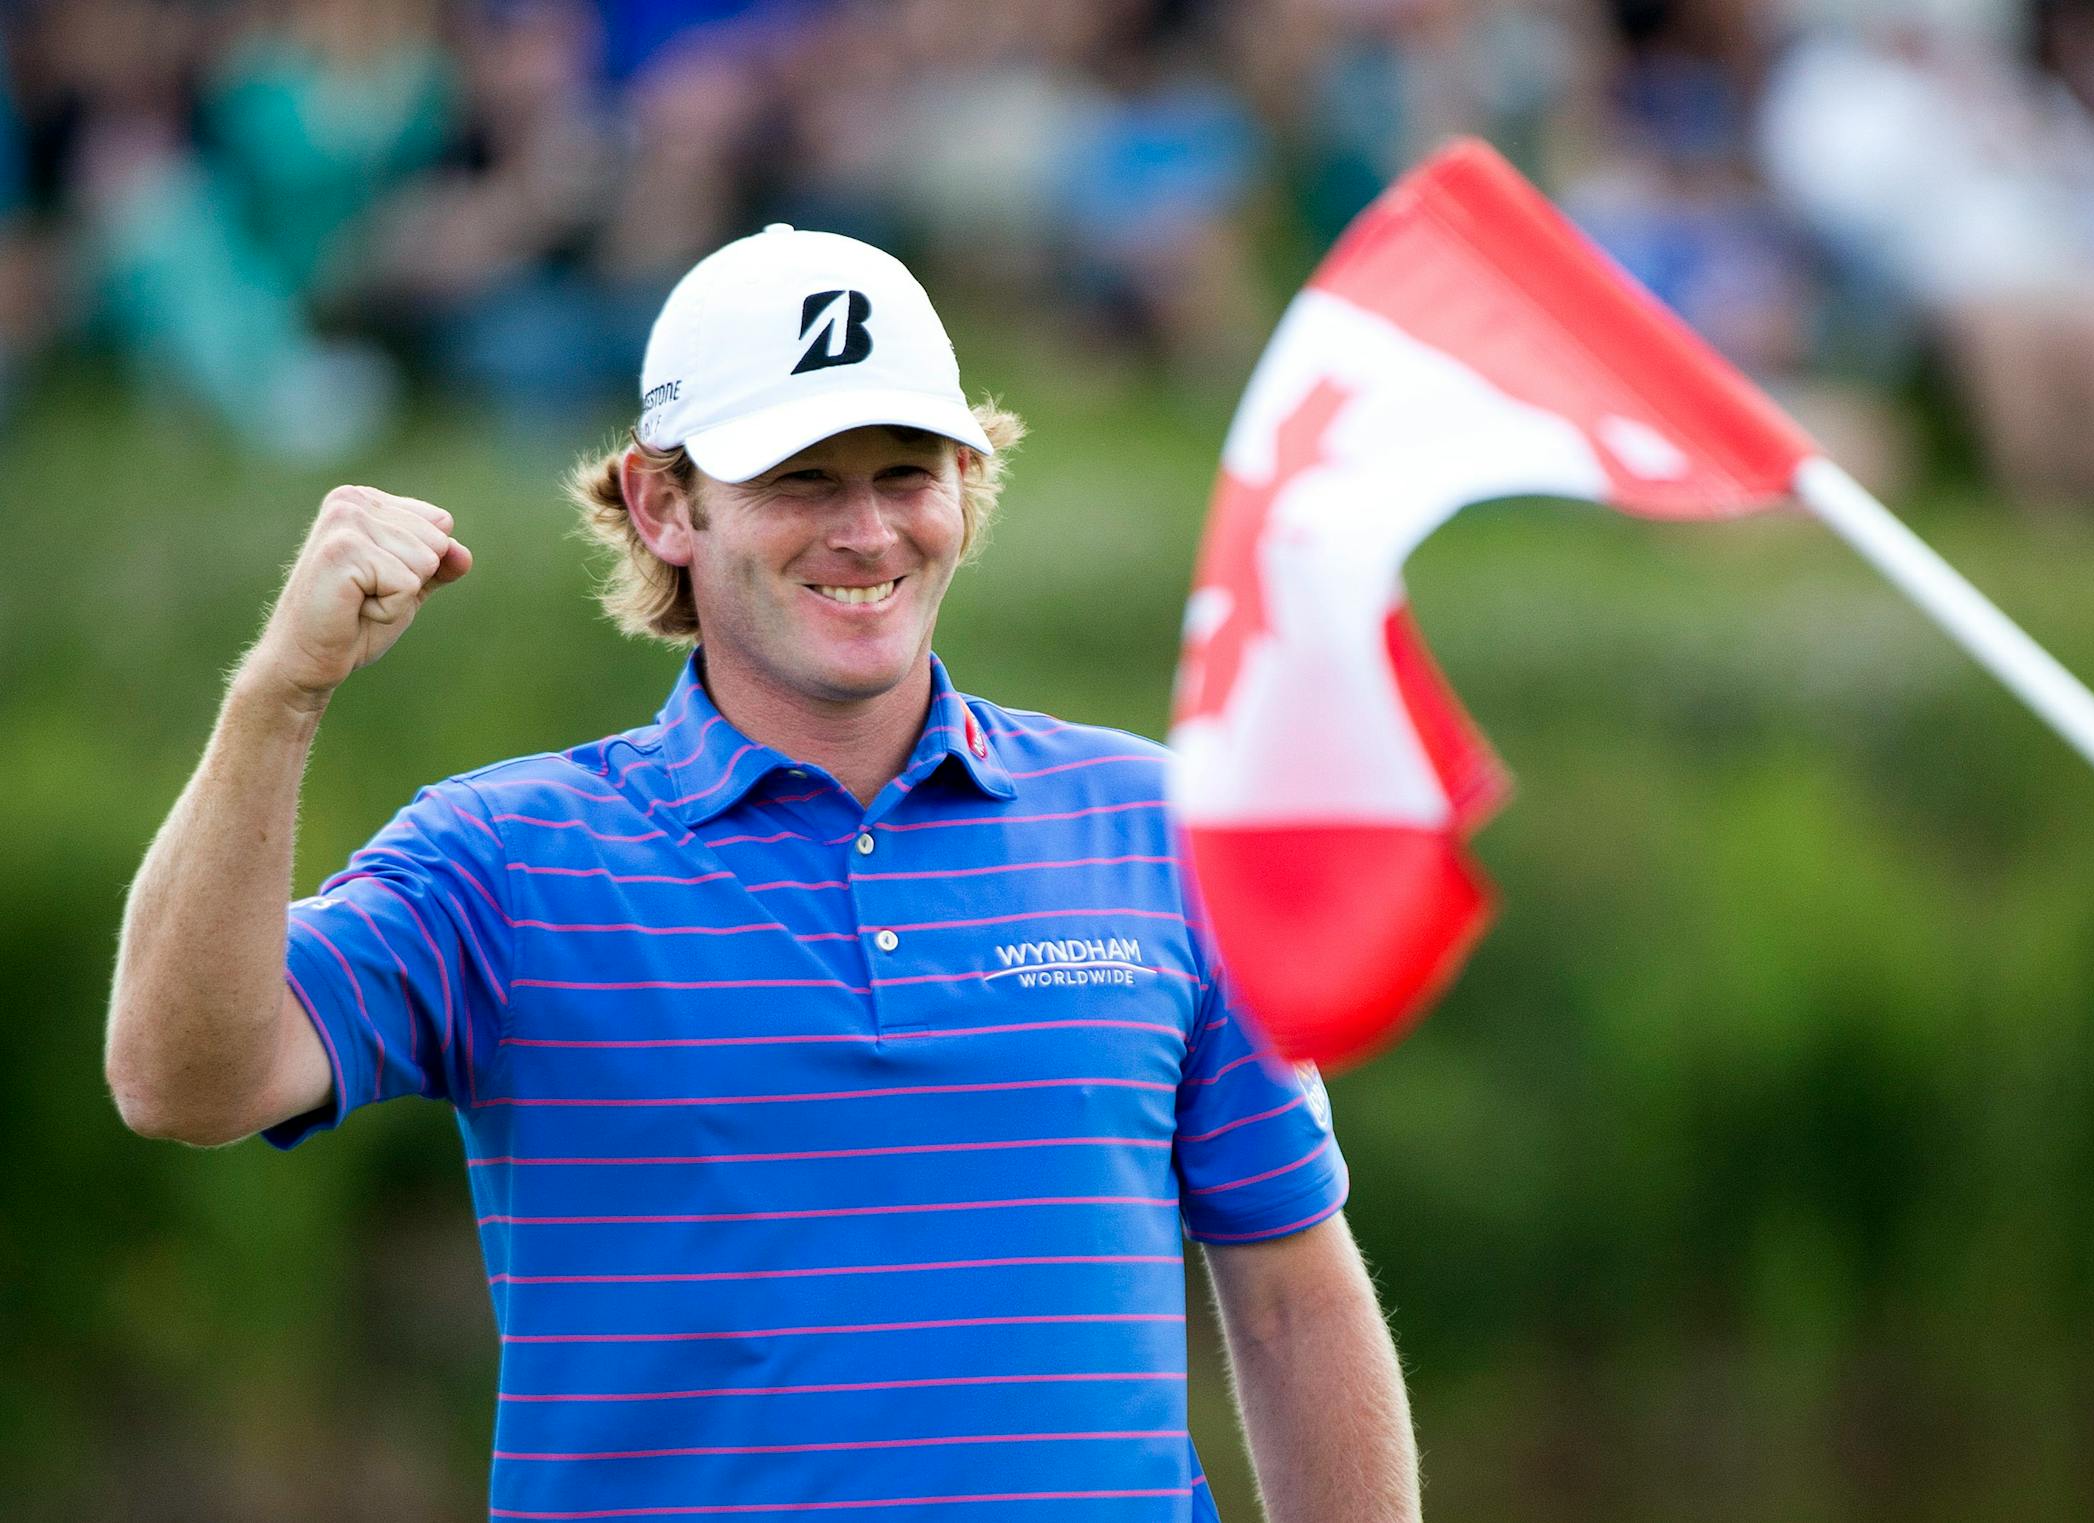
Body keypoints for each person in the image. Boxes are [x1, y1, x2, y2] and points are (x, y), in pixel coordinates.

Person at [104, 224, 1421, 1521]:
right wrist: (281, 695)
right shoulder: (503, 862)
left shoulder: (1155, 828)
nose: (865, 532)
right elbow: (182, 1076)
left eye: (907, 472)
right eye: (801, 480)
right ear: (662, 504)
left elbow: (1296, 1295)